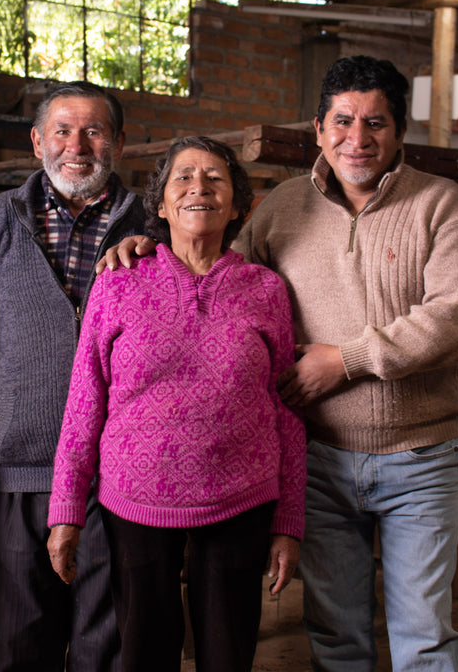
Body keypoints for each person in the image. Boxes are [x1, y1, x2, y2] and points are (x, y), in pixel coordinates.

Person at [101, 56, 458, 671]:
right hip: (322, 457)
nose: (357, 139)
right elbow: (220, 272)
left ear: (400, 132)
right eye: (342, 121)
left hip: (418, 456)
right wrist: (144, 242)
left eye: (375, 123)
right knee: (335, 632)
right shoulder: (282, 208)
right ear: (317, 128)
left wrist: (348, 360)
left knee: (423, 633)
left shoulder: (440, 204)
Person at [46, 136, 306, 672]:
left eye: (216, 178)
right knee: (145, 652)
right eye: (183, 178)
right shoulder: (118, 282)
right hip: (134, 500)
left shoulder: (266, 290)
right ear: (161, 205)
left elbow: (287, 407)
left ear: (239, 206)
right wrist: (66, 509)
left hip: (241, 496)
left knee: (227, 655)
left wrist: (289, 519)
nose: (199, 188)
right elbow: (84, 398)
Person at [0, 80, 146, 672]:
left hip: (117, 472)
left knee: (106, 641)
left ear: (118, 142)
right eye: (63, 131)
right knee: (24, 640)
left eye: (94, 131)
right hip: (25, 462)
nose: (78, 145)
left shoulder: (148, 225)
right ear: (38, 140)